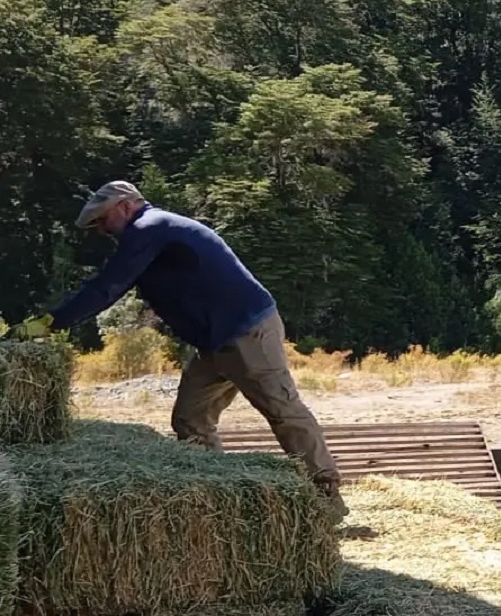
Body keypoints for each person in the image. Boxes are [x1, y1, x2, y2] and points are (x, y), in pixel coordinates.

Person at [31, 181, 347, 520]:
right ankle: (214, 502)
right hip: (215, 341)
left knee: (283, 411)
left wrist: (52, 322)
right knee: (190, 419)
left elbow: (107, 287)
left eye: (103, 219)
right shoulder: (152, 231)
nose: (101, 229)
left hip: (246, 332)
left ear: (125, 206)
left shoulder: (148, 227)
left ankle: (326, 498)